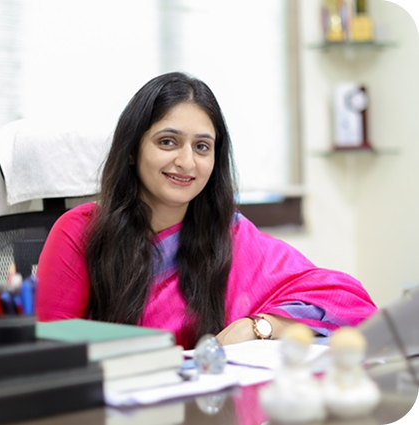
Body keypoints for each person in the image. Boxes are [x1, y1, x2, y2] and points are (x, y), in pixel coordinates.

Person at [35, 71, 377, 349]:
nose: (186, 162)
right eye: (167, 142)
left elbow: (349, 302)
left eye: (202, 147)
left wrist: (260, 326)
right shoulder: (81, 232)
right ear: (131, 150)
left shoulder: (230, 236)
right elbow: (51, 353)